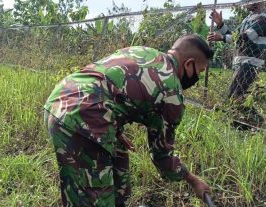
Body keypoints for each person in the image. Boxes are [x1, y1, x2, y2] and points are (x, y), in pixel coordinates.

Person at [44, 34, 214, 207]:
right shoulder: (172, 94)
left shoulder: (144, 52)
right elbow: (163, 158)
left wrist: (115, 130)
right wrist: (194, 181)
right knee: (91, 198)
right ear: (188, 64)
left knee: (120, 163)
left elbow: (110, 86)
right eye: (199, 72)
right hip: (82, 119)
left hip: (61, 99)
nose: (197, 79)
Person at [208, 1, 266, 102]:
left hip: (250, 63)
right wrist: (220, 24)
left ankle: (255, 118)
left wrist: (222, 37)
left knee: (233, 98)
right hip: (240, 62)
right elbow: (234, 35)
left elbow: (245, 37)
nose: (245, 3)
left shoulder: (263, 18)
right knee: (236, 98)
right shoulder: (249, 18)